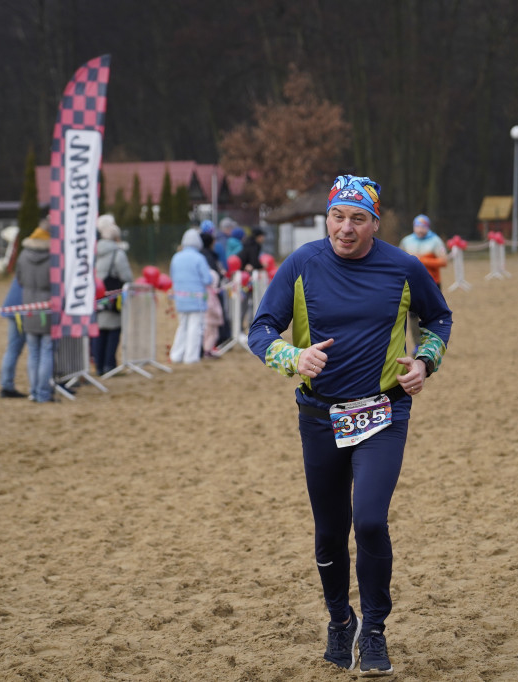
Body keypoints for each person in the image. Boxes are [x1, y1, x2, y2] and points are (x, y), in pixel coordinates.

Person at [248, 175, 453, 676]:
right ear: (327, 219)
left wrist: (425, 360)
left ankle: (375, 630)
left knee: (370, 521)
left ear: (375, 224)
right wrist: (292, 357)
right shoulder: (301, 265)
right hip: (319, 416)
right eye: (338, 216)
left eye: (358, 218)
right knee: (330, 530)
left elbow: (439, 319)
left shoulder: (404, 267)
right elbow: (260, 330)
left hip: (383, 412)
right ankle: (340, 620)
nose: (346, 227)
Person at [16, 223, 54, 402]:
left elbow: (20, 279)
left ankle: (34, 391)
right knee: (47, 351)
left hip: (29, 307)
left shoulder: (23, 255)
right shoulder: (53, 257)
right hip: (47, 308)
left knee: (33, 353)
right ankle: (43, 392)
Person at [399, 214, 449, 350]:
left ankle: (433, 342)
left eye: (423, 227)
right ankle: (417, 344)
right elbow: (399, 260)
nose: (420, 230)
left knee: (433, 313)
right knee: (413, 315)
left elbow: (444, 261)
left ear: (428, 227)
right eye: (417, 226)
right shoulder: (406, 241)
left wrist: (422, 260)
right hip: (411, 284)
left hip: (432, 283)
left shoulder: (436, 241)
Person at [92, 214, 134, 375]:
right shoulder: (118, 254)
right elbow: (127, 277)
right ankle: (110, 364)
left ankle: (99, 365)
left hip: (97, 296)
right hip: (113, 297)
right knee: (114, 330)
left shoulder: (94, 252)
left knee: (100, 330)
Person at [168, 228, 213, 364]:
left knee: (182, 326)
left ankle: (176, 355)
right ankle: (191, 356)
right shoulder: (199, 258)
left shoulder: (176, 257)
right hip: (197, 299)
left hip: (180, 299)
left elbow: (172, 275)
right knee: (195, 327)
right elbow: (207, 279)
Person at [0, 278, 27, 398]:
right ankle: (40, 387)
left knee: (12, 350)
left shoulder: (22, 260)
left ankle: (6, 385)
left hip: (12, 306)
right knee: (37, 350)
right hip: (28, 307)